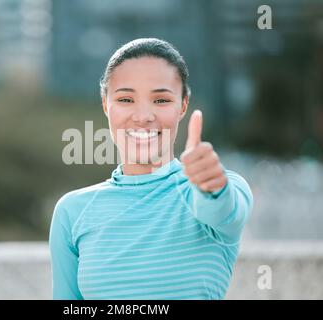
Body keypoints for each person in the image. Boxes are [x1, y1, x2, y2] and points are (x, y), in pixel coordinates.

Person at [49, 38, 253, 300]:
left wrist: (212, 188)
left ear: (182, 105)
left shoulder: (226, 188)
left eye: (160, 100)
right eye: (125, 99)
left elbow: (222, 210)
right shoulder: (71, 211)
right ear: (105, 105)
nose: (143, 116)